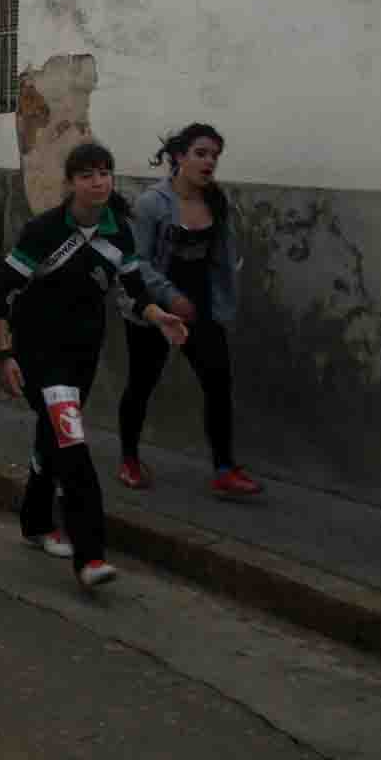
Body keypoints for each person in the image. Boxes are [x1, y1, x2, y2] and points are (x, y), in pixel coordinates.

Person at [0, 141, 188, 590]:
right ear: (70, 183)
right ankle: (90, 554)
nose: (98, 182)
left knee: (54, 437)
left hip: (83, 353)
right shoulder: (43, 230)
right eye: (87, 175)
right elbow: (1, 292)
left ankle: (35, 522)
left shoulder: (119, 233)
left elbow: (134, 290)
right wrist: (5, 354)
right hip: (39, 352)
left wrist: (159, 317)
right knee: (72, 443)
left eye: (104, 173)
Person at [117, 123, 262, 499]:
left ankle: (224, 469)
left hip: (201, 308)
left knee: (218, 383)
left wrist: (222, 305)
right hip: (155, 307)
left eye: (214, 156)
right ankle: (129, 459)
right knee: (142, 383)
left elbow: (224, 259)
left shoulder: (216, 201)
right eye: (200, 153)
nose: (209, 162)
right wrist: (169, 297)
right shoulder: (152, 203)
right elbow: (136, 261)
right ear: (179, 156)